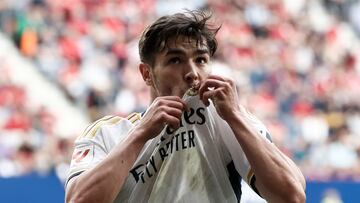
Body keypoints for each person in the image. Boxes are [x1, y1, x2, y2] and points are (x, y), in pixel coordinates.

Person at [65, 10, 306, 203]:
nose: (192, 73)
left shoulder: (227, 121)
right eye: (175, 60)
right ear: (147, 74)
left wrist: (236, 117)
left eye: (201, 59)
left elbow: (292, 196)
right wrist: (140, 134)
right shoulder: (107, 133)